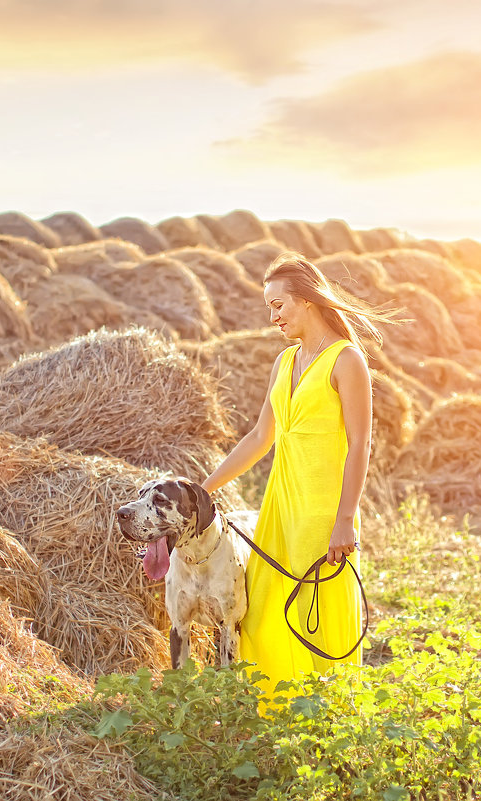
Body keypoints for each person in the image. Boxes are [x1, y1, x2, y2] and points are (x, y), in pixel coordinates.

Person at [202, 252, 386, 689]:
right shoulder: (284, 362)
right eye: (269, 307)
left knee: (316, 615)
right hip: (280, 508)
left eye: (278, 305)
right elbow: (258, 438)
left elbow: (361, 445)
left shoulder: (346, 360)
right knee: (264, 612)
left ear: (307, 300)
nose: (273, 317)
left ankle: (325, 724)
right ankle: (271, 717)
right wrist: (205, 488)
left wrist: (345, 520)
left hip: (324, 510)